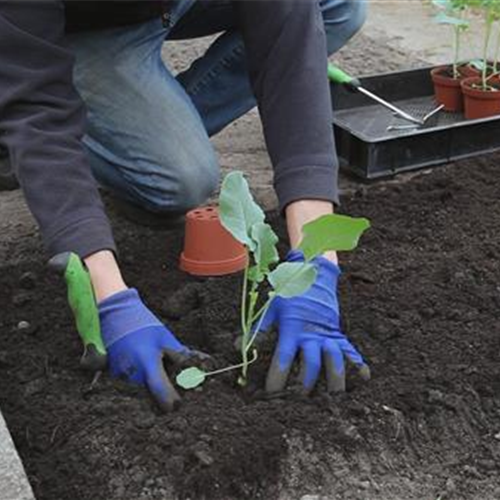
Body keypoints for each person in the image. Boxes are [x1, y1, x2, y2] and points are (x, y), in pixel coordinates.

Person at [0, 0, 369, 411]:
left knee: (336, 6)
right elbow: (39, 112)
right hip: (69, 31)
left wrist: (315, 262)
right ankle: (17, 117)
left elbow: (289, 31)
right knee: (180, 179)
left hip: (162, 7)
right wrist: (109, 298)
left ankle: (132, 133)